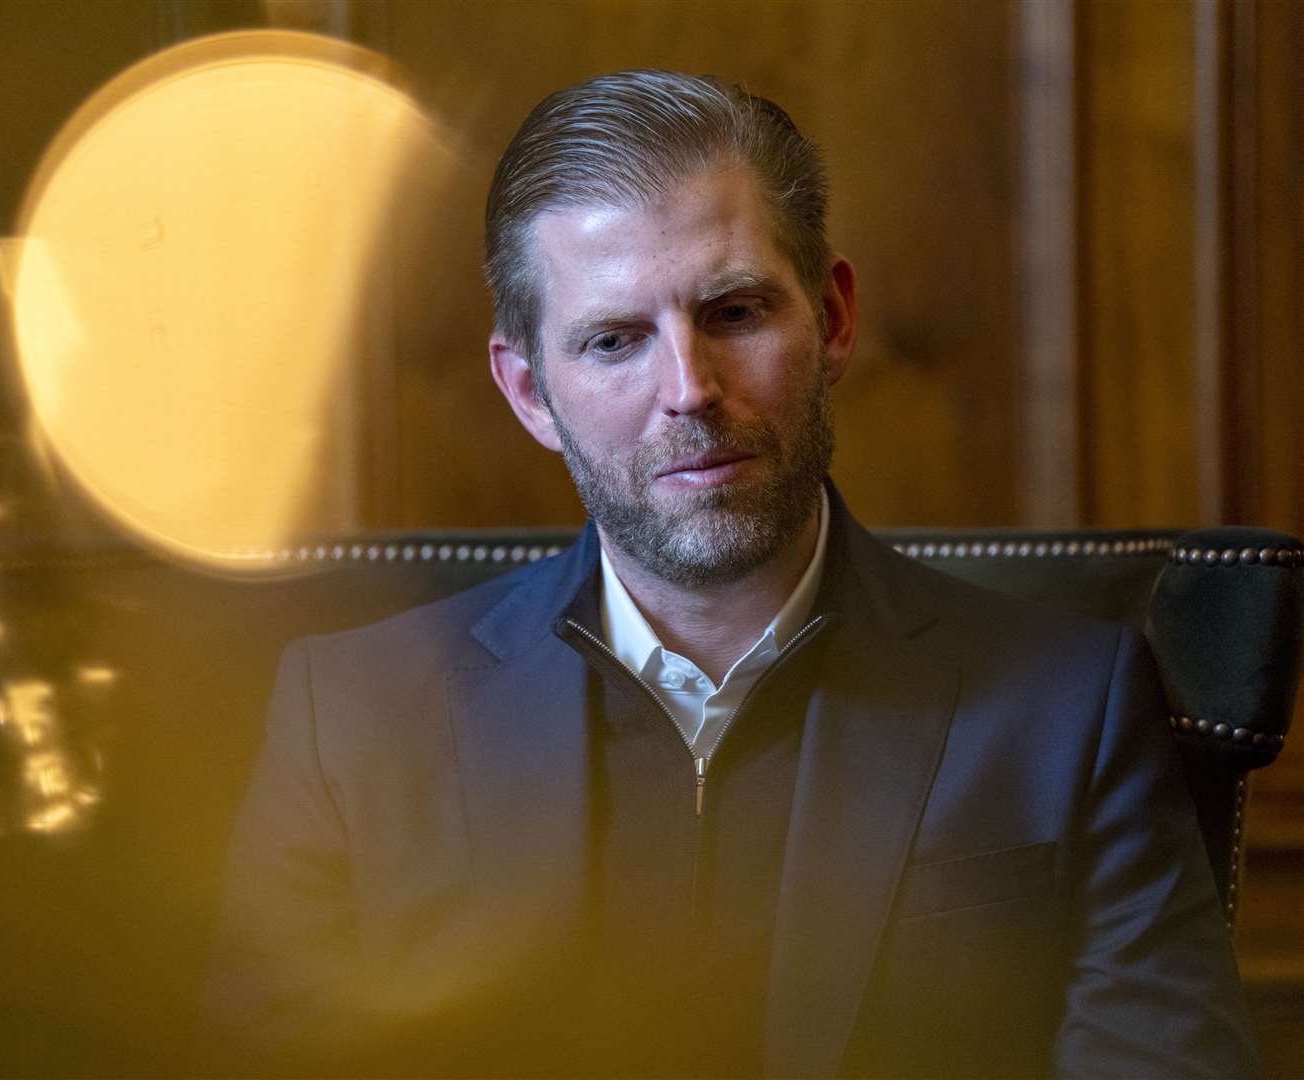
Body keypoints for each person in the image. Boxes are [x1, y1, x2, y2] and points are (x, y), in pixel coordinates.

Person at [206, 69, 1257, 1077]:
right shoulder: (346, 717)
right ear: (529, 392)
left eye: (736, 312)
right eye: (614, 340)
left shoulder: (1072, 706)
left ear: (834, 320)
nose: (689, 390)